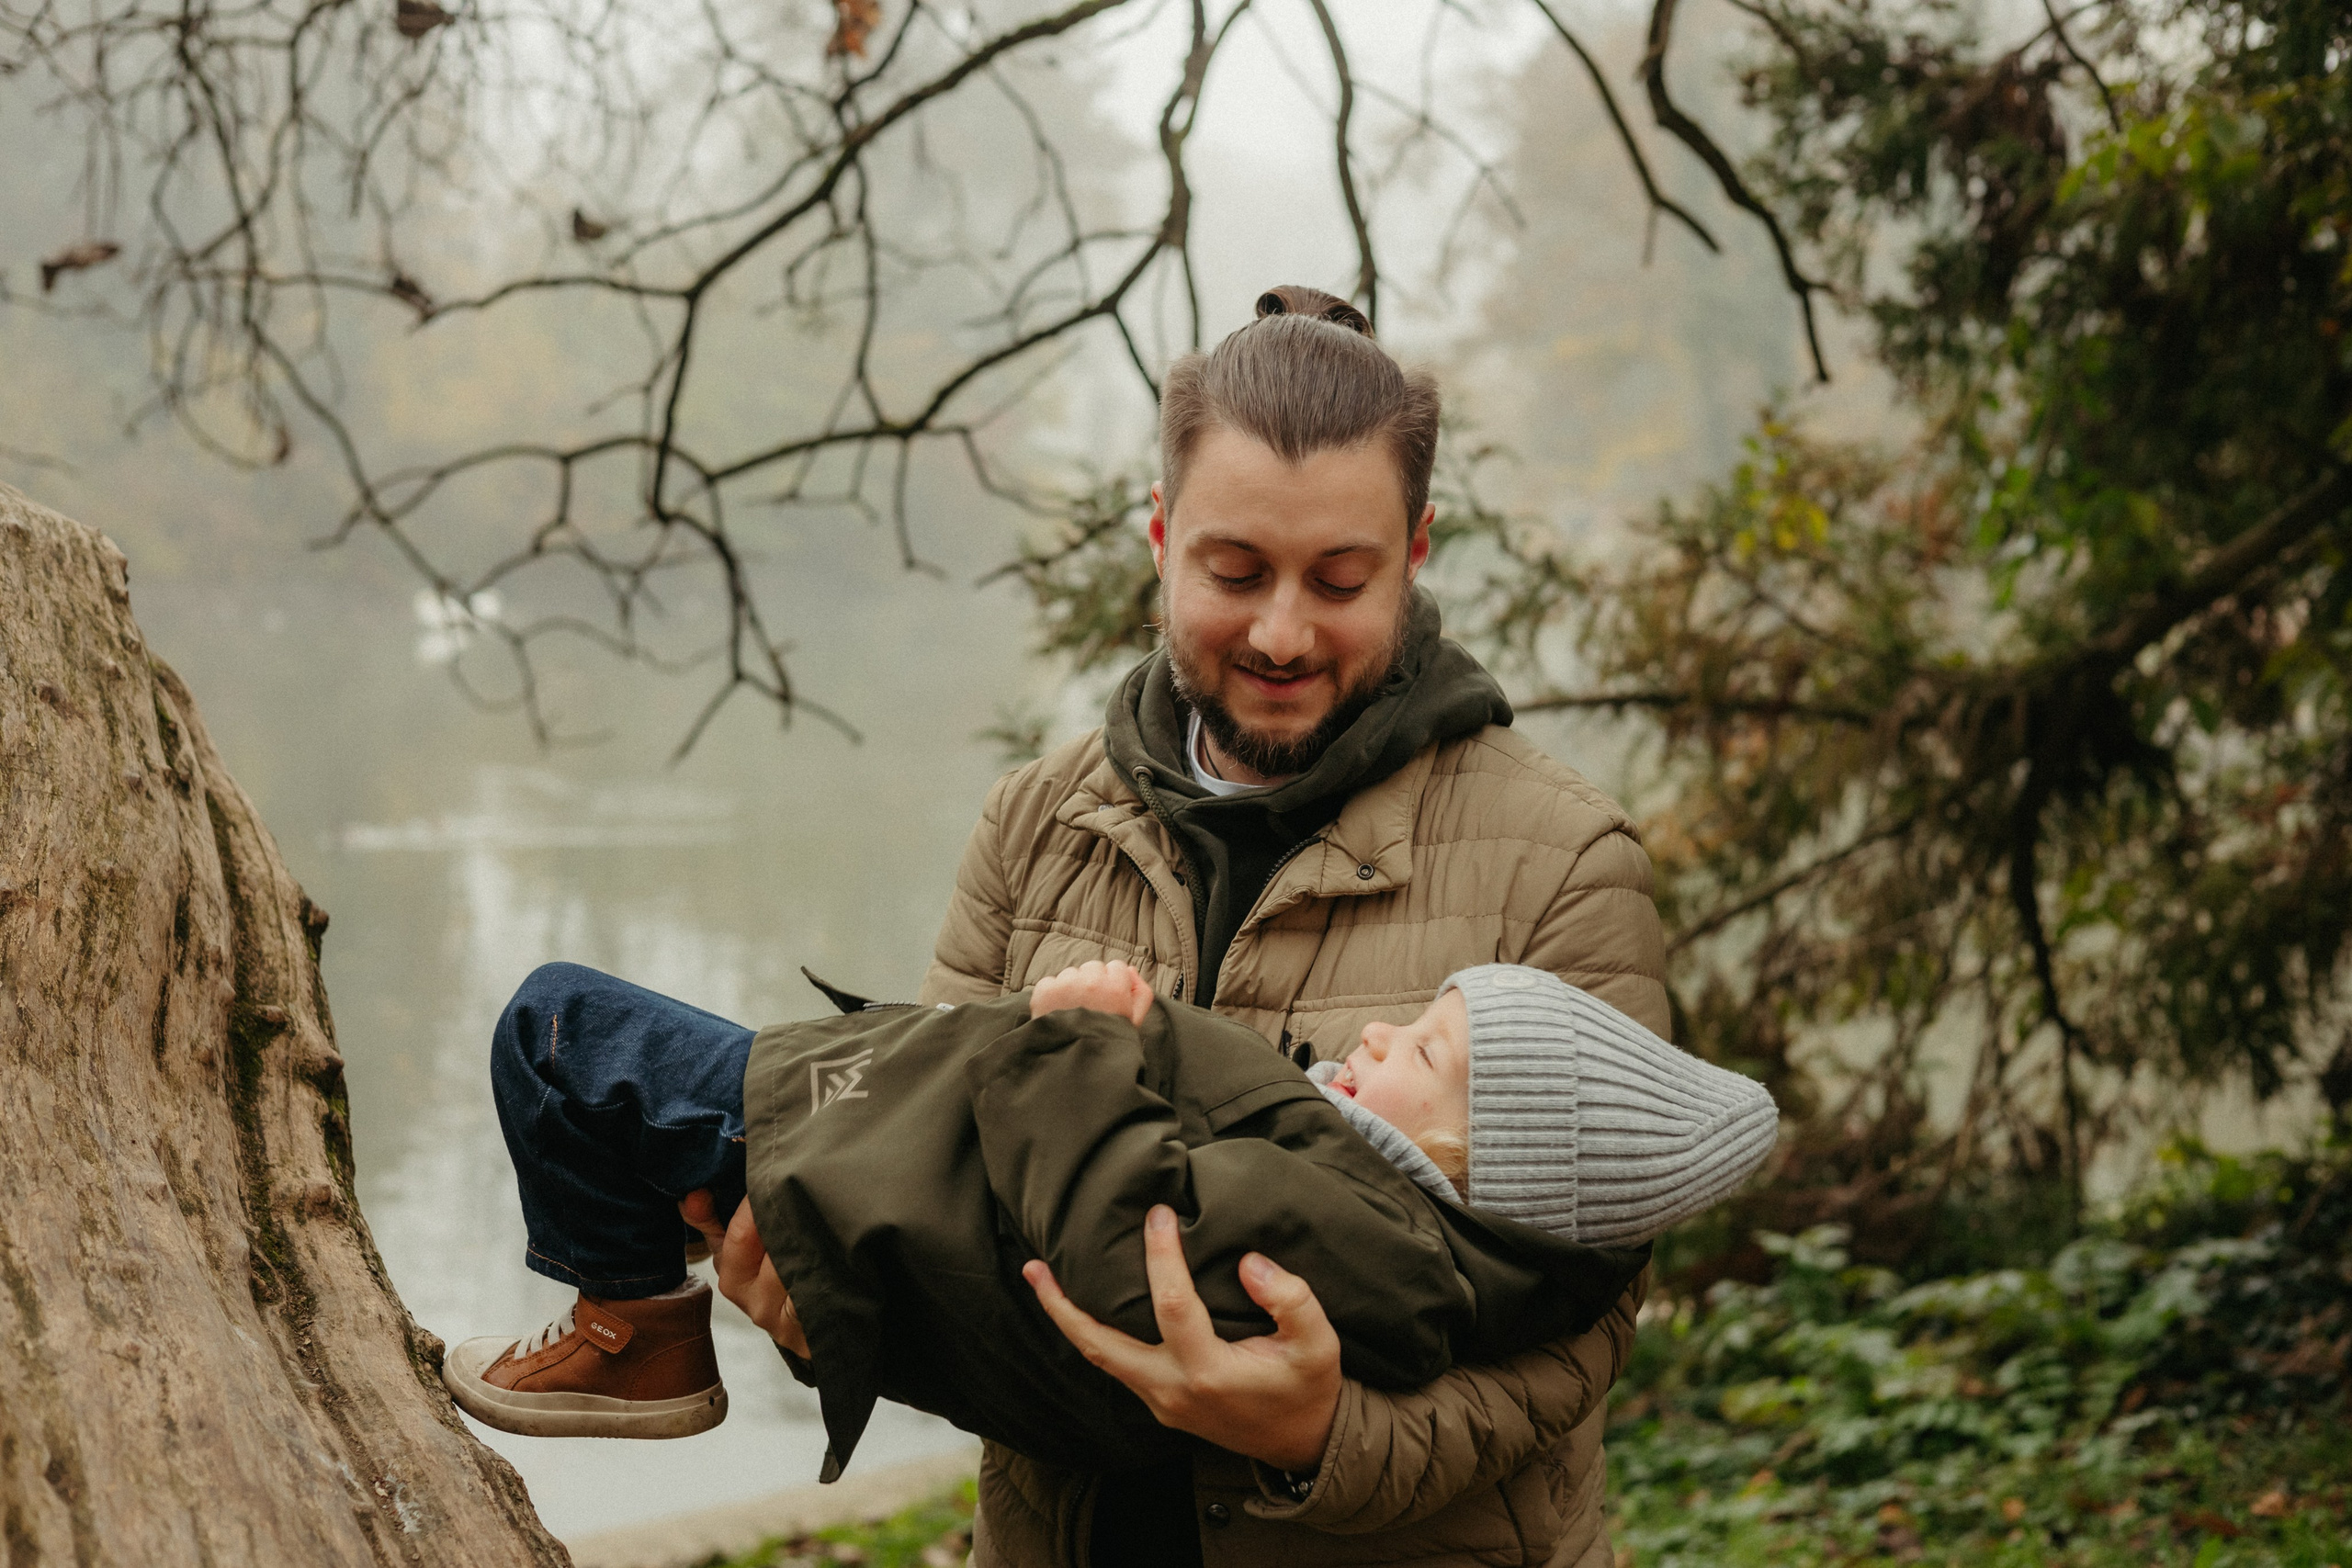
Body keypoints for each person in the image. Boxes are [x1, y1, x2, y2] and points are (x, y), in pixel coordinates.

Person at [891, 283, 1679, 1567]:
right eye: (1236, 571)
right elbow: (929, 1190)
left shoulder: (1563, 863)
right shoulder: (1031, 827)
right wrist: (831, 1299)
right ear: (1161, 535)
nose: (1281, 632)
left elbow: (1584, 1319)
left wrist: (1324, 1434)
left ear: (1415, 551)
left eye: (1341, 579)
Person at [442, 960, 1772, 1478]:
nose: (1380, 1033)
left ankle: (635, 1327)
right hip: (881, 1150)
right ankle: (653, 1292)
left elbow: (1125, 1257)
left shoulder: (1372, 1237)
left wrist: (1083, 1040)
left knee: (558, 1034)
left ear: (1487, 1168)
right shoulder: (1374, 1190)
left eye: (1425, 1050)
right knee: (585, 1046)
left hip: (882, 1179)